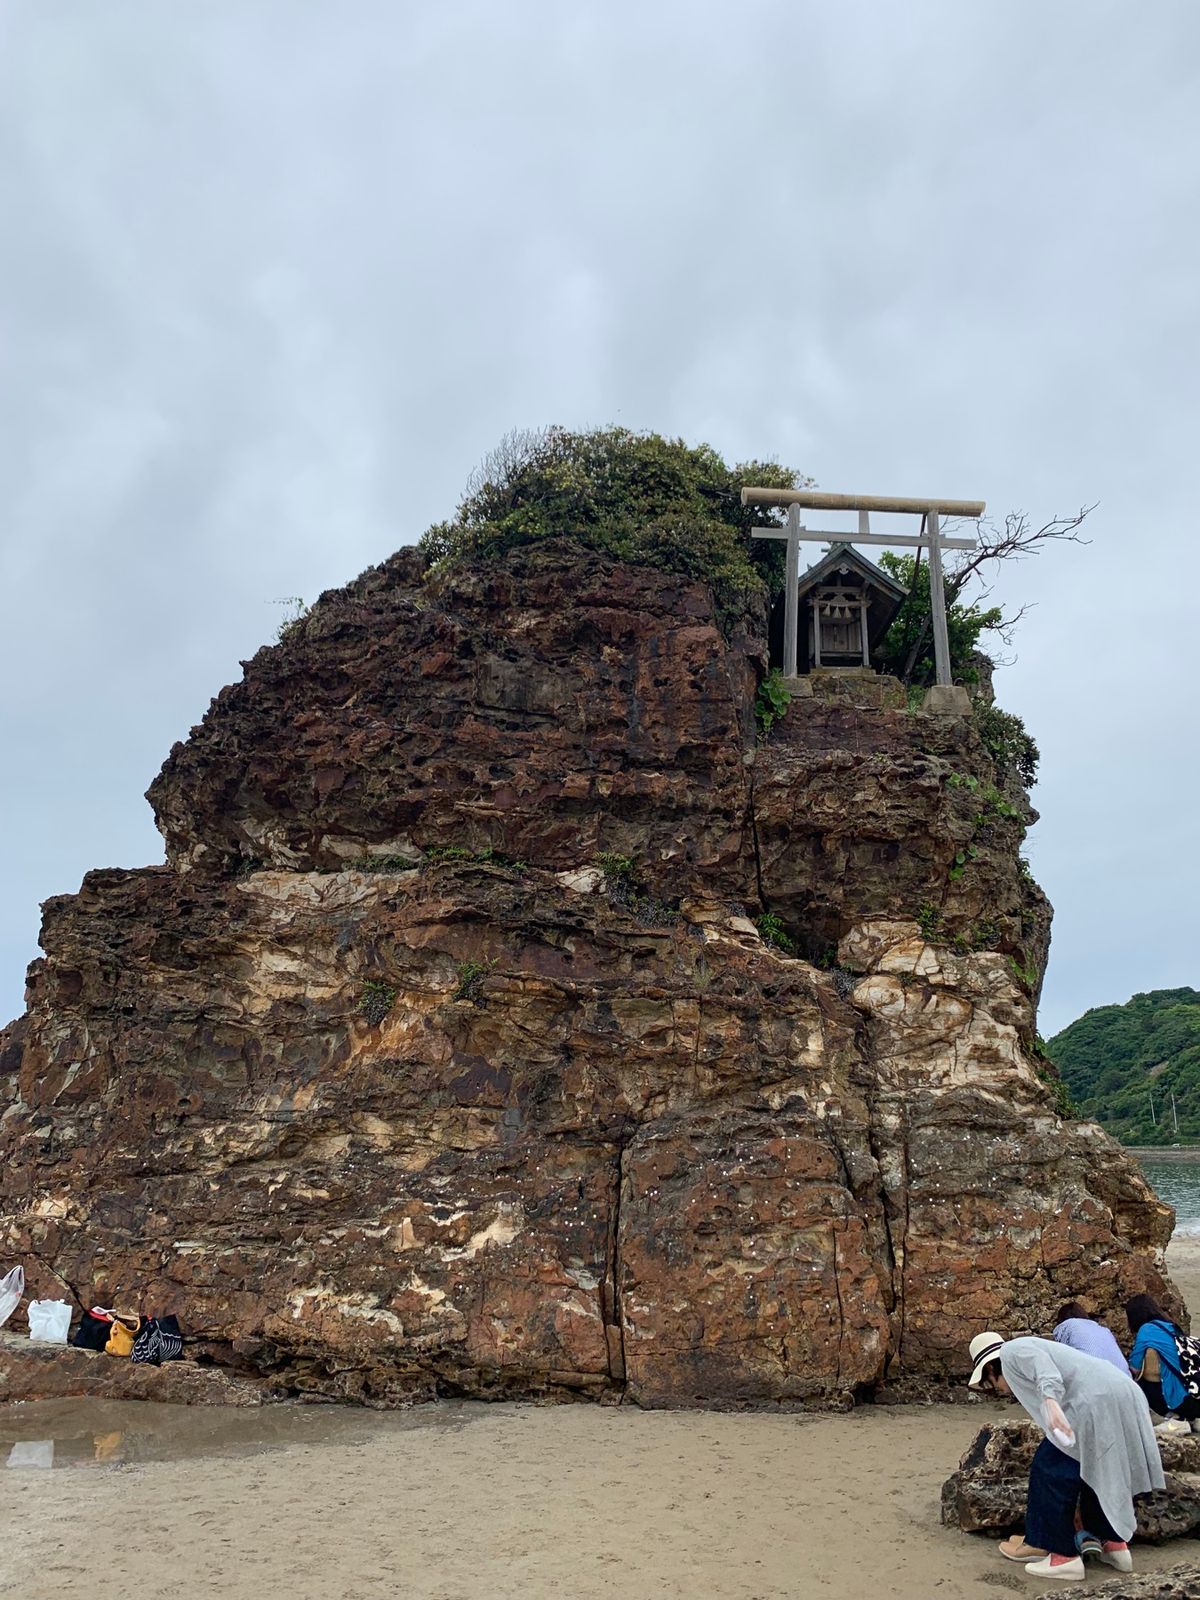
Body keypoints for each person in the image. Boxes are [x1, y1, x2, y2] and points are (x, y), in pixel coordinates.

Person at [967, 1330, 1164, 1582]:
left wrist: (1050, 1400)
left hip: (1093, 1402)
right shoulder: (1037, 1347)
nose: (999, 1390)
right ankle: (1112, 1543)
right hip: (1125, 1393)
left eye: (990, 1384)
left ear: (991, 1369)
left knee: (1050, 1468)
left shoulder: (1011, 1351)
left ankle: (1062, 1556)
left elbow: (1045, 1371)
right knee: (1099, 1467)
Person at [1125, 1292, 1200, 1436]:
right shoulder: (1170, 1326)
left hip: (1184, 1401)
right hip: (1195, 1395)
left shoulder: (1146, 1330)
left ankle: (1179, 1420)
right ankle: (1187, 1418)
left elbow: (1135, 1367)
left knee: (1139, 1384)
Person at [1052, 1301, 1131, 1375]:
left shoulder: (1066, 1325)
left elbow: (1058, 1355)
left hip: (1094, 1378)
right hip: (1126, 1380)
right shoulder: (1104, 1330)